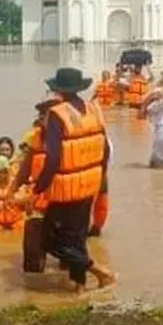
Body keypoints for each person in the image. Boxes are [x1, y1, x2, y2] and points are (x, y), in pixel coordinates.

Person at [33, 68, 116, 291]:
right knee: (77, 238)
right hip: (89, 185)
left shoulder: (57, 115)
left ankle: (98, 271)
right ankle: (79, 288)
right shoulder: (93, 109)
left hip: (66, 188)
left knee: (49, 240)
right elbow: (105, 150)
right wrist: (100, 177)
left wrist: (38, 188)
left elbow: (53, 159)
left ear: (57, 89)